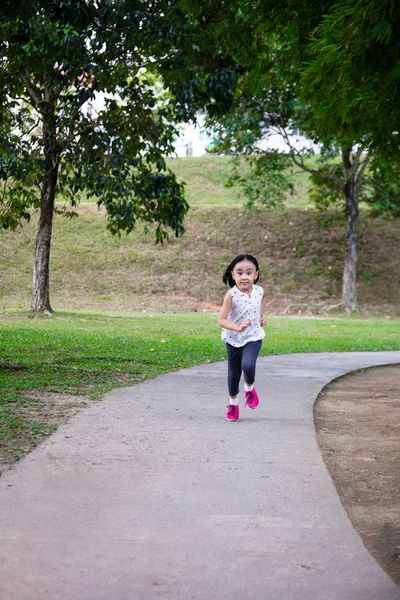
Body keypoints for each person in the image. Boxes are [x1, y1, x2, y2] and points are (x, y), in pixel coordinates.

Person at [218, 254, 266, 421]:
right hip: (233, 338)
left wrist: (260, 317)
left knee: (248, 364)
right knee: (233, 373)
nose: (244, 277)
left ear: (256, 274)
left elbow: (262, 300)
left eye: (249, 272)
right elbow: (221, 320)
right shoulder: (231, 295)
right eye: (239, 273)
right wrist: (237, 327)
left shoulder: (259, 291)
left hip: (253, 335)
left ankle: (249, 388)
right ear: (233, 275)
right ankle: (233, 404)